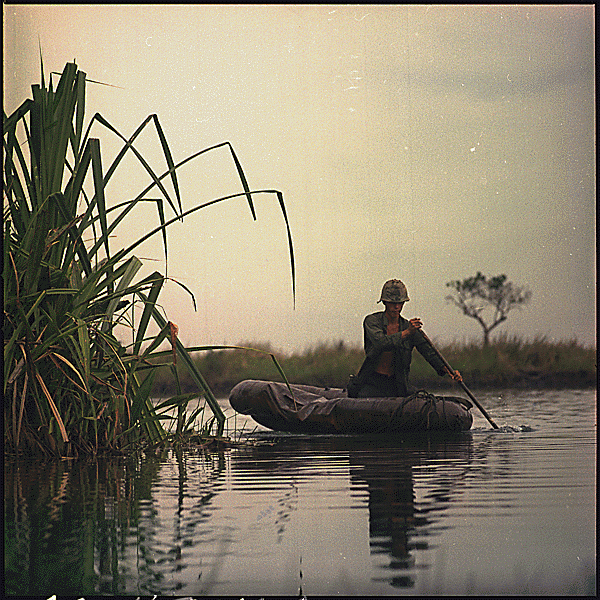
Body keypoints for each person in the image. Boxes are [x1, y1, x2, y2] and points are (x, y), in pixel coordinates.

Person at [348, 279, 462, 398]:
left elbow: (429, 353)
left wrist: (449, 371)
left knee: (424, 399)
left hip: (398, 384)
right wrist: (407, 332)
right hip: (372, 383)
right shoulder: (372, 321)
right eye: (393, 303)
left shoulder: (409, 328)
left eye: (400, 303)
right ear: (385, 303)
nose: (397, 307)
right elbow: (381, 343)